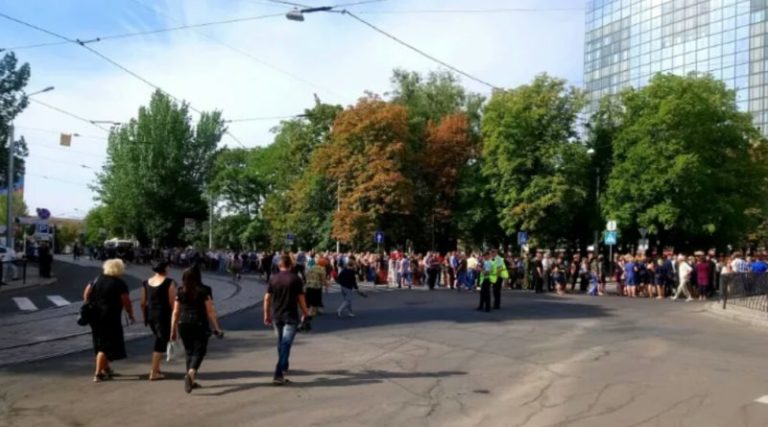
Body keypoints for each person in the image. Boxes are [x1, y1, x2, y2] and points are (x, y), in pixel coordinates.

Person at [171, 265, 223, 393]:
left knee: (189, 351)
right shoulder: (205, 290)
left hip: (183, 323)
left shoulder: (180, 290)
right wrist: (217, 327)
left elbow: (176, 311)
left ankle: (191, 380)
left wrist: (173, 329)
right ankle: (190, 374)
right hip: (199, 322)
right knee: (200, 350)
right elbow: (210, 310)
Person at [83, 259, 134, 383]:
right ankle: (98, 373)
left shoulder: (97, 279)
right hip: (110, 317)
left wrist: (92, 304)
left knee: (99, 341)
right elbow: (126, 301)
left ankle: (106, 368)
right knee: (106, 345)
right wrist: (130, 313)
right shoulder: (119, 283)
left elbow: (86, 294)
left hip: (95, 317)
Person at [263, 255, 309, 385]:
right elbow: (301, 299)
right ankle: (278, 373)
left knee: (281, 343)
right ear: (291, 265)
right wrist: (306, 313)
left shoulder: (273, 279)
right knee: (286, 343)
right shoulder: (296, 279)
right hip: (291, 316)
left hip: (276, 315)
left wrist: (266, 314)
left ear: (279, 265)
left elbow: (267, 298)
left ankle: (283, 366)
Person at [140, 261, 177, 381]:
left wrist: (145, 316)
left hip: (151, 314)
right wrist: (175, 318)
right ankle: (154, 372)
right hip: (164, 315)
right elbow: (172, 302)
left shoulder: (146, 282)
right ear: (165, 269)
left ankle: (157, 368)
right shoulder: (169, 282)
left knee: (159, 339)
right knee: (160, 342)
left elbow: (142, 302)